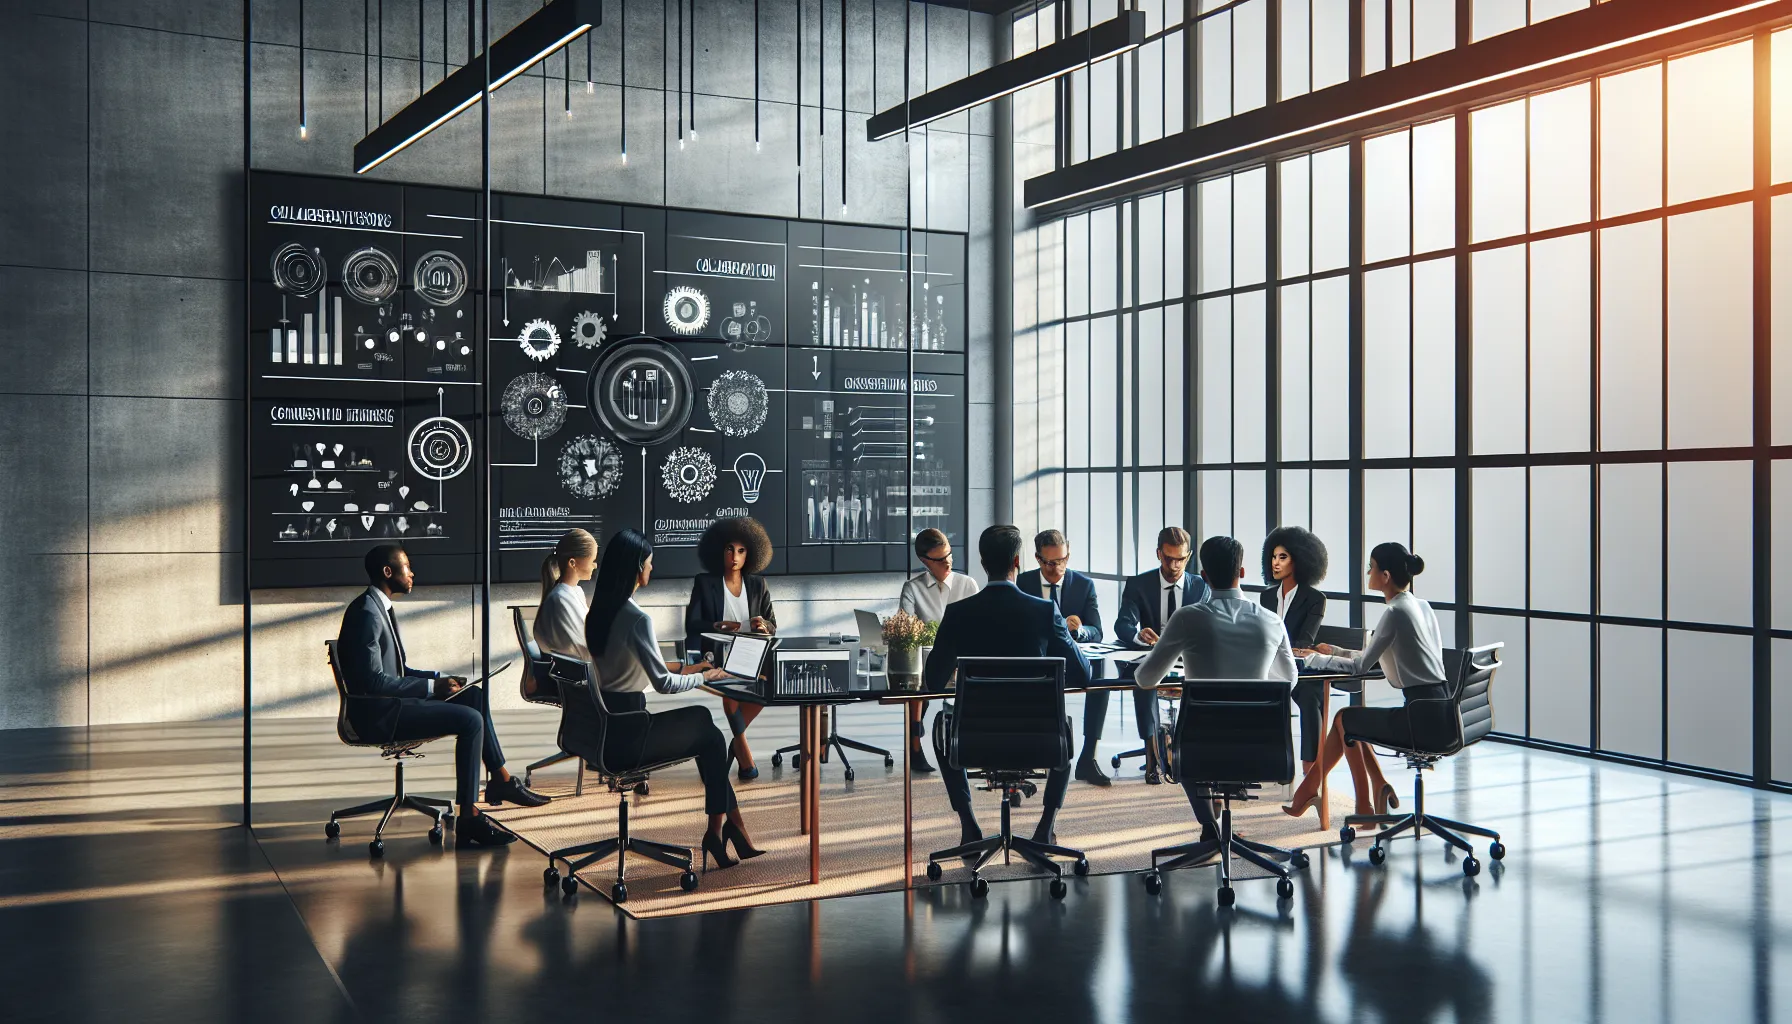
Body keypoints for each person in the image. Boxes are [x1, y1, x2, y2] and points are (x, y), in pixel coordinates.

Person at [336, 544, 548, 851]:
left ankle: (501, 778)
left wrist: (439, 679)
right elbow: (373, 682)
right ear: (388, 572)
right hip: (381, 715)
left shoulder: (377, 607)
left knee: (472, 696)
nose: (412, 573)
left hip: (392, 704)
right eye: (406, 567)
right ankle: (469, 818)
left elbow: (400, 670)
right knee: (470, 720)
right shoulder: (368, 613)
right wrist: (432, 690)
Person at [581, 529, 763, 870]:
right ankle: (720, 830)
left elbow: (630, 668)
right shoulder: (637, 618)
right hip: (631, 733)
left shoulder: (599, 613)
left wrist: (688, 669)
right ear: (637, 568)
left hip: (605, 728)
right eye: (649, 564)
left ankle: (727, 829)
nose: (652, 569)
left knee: (706, 730)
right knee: (708, 733)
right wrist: (702, 676)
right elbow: (663, 683)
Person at [923, 525, 1092, 848]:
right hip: (1038, 741)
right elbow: (1083, 675)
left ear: (983, 562)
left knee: (940, 725)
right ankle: (1046, 826)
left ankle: (969, 824)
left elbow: (933, 681)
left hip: (972, 742)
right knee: (1066, 726)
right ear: (1018, 561)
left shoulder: (959, 613)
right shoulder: (1044, 611)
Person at [1134, 536, 1299, 844]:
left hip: (1200, 749)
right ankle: (1216, 827)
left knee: (1175, 741)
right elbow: (1289, 681)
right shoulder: (1271, 621)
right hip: (1260, 747)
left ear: (1204, 575)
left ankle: (1210, 827)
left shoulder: (1187, 619)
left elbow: (1145, 679)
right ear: (1243, 572)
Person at [1283, 542, 1445, 824]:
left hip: (1420, 718)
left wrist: (1311, 660)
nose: (1367, 571)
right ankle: (1365, 795)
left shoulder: (1394, 613)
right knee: (1350, 722)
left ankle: (1325, 794)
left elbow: (1360, 667)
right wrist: (1332, 651)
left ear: (1385, 576)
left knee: (1346, 720)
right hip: (1441, 709)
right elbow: (1373, 656)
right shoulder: (1421, 606)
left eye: (1371, 566)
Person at [1085, 527, 1210, 785]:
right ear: (1158, 554)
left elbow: (1208, 625)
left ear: (1189, 557)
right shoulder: (1139, 584)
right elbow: (1123, 624)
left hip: (1187, 659)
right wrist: (1138, 635)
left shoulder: (1200, 587)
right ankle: (1153, 756)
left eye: (1181, 559)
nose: (1174, 565)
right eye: (1168, 558)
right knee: (1145, 682)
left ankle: (1189, 751)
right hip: (1149, 656)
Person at [683, 516, 779, 781]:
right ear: (720, 551)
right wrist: (716, 625)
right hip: (719, 651)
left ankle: (737, 743)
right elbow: (692, 624)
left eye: (741, 550)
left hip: (753, 651)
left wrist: (764, 626)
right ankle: (744, 755)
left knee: (769, 688)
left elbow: (773, 626)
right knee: (731, 693)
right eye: (729, 549)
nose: (735, 556)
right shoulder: (705, 582)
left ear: (751, 553)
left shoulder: (759, 584)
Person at [899, 527, 980, 773]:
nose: (948, 562)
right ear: (925, 561)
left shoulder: (968, 584)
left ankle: (969, 743)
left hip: (962, 659)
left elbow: (979, 628)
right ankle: (914, 746)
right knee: (915, 680)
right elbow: (908, 633)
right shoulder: (912, 589)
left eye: (949, 555)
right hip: (928, 661)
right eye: (940, 559)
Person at [1260, 526, 1330, 772]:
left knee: (1311, 699)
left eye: (1283, 557)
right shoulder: (1266, 597)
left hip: (1295, 669)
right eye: (1273, 556)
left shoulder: (1315, 599)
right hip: (1267, 667)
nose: (1275, 563)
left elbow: (1304, 641)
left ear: (1299, 560)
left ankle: (1309, 768)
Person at [533, 528, 599, 665]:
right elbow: (586, 650)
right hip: (576, 679)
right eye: (592, 560)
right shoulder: (561, 599)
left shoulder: (575, 592)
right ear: (572, 563)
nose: (595, 565)